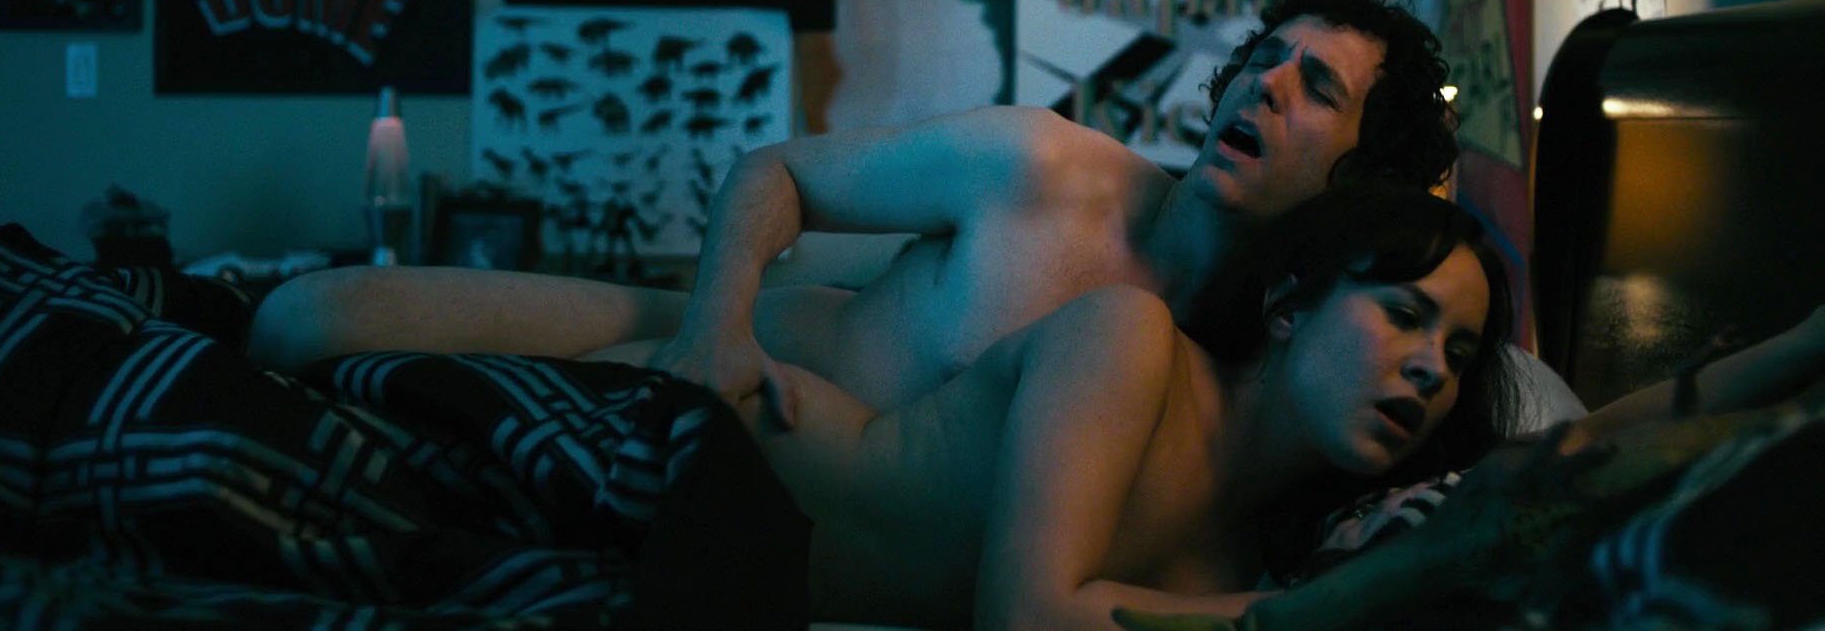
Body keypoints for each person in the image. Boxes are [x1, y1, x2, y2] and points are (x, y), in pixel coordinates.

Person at [248, 0, 1459, 427]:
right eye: (1260, 58)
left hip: (787, 490)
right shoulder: (1045, 167)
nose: (1260, 83)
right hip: (699, 345)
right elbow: (772, 170)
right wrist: (712, 329)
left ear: (1359, 177)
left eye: (1314, 88)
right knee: (299, 320)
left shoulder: (1281, 354)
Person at [615, 183, 1522, 627]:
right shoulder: (1132, 344)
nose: (1429, 371)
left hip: (685, 579)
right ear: (1289, 308)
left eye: (1458, 355)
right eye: (1405, 316)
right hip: (667, 451)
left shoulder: (1234, 564)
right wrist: (1330, 605)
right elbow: (1025, 617)